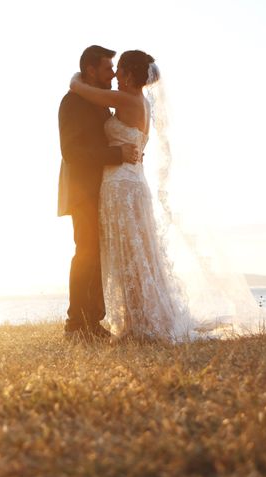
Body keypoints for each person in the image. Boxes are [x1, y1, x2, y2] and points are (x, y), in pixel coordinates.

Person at [69, 50, 194, 342]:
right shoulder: (142, 103)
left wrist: (75, 77)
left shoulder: (125, 100)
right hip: (133, 183)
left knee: (127, 252)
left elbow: (79, 88)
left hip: (121, 185)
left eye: (117, 70)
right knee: (135, 253)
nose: (114, 76)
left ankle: (139, 319)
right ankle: (139, 314)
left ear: (126, 75)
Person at [58, 45, 140, 341]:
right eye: (107, 68)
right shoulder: (72, 102)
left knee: (99, 256)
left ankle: (93, 321)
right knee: (86, 253)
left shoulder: (99, 101)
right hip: (82, 190)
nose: (113, 73)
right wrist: (117, 154)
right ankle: (75, 325)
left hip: (104, 191)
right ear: (90, 70)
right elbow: (72, 152)